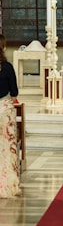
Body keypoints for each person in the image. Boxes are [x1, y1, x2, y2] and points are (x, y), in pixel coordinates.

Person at [0, 34, 21, 198]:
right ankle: (7, 185)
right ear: (4, 48)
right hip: (4, 110)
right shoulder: (7, 67)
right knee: (7, 149)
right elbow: (14, 93)